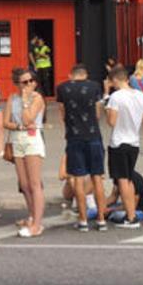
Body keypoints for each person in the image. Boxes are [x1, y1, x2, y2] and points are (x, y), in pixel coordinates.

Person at [57, 64, 108, 232]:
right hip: (93, 136)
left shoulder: (62, 88)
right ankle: (101, 219)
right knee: (97, 178)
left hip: (74, 137)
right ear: (85, 74)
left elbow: (62, 114)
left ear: (71, 74)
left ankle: (83, 220)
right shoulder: (94, 87)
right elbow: (98, 113)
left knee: (78, 178)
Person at [105, 66, 143, 229]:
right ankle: (131, 214)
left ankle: (131, 217)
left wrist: (106, 97)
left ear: (115, 80)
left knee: (122, 180)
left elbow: (111, 121)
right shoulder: (140, 96)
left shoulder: (116, 97)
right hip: (134, 141)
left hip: (119, 141)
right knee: (129, 178)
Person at [3, 69, 47, 237]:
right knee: (24, 183)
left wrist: (26, 101)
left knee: (35, 183)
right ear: (18, 84)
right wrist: (19, 126)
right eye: (24, 82)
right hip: (17, 139)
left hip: (32, 140)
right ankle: (32, 216)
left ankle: (37, 224)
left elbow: (29, 119)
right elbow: (7, 122)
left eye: (30, 81)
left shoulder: (37, 98)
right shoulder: (12, 99)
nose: (28, 85)